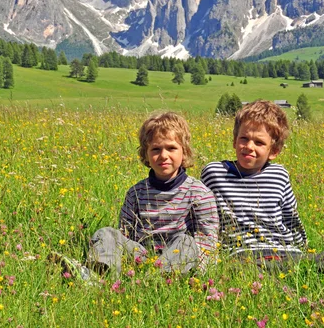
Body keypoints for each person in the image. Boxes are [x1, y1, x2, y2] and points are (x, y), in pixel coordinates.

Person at [201, 100, 324, 284]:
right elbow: (204, 219)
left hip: (288, 254)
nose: (249, 146)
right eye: (244, 138)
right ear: (235, 140)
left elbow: (291, 219)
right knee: (243, 272)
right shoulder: (215, 173)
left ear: (273, 151)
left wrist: (302, 248)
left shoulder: (279, 175)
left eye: (259, 142)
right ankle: (288, 299)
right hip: (244, 256)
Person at [60, 111, 218, 279]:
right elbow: (125, 234)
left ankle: (156, 279)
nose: (163, 155)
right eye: (156, 149)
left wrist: (199, 274)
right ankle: (97, 276)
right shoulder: (136, 192)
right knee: (106, 233)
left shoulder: (199, 193)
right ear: (146, 154)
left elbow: (207, 242)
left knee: (187, 242)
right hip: (141, 257)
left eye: (171, 148)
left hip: (176, 259)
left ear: (184, 151)